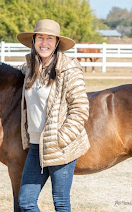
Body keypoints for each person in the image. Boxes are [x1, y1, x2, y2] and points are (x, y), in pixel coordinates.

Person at [16, 19, 90, 212]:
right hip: (36, 146)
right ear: (33, 41)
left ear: (57, 43)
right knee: (25, 201)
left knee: (61, 202)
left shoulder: (69, 70)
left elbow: (80, 108)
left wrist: (61, 138)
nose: (44, 43)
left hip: (60, 147)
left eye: (50, 38)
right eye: (40, 37)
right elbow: (10, 72)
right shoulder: (31, 68)